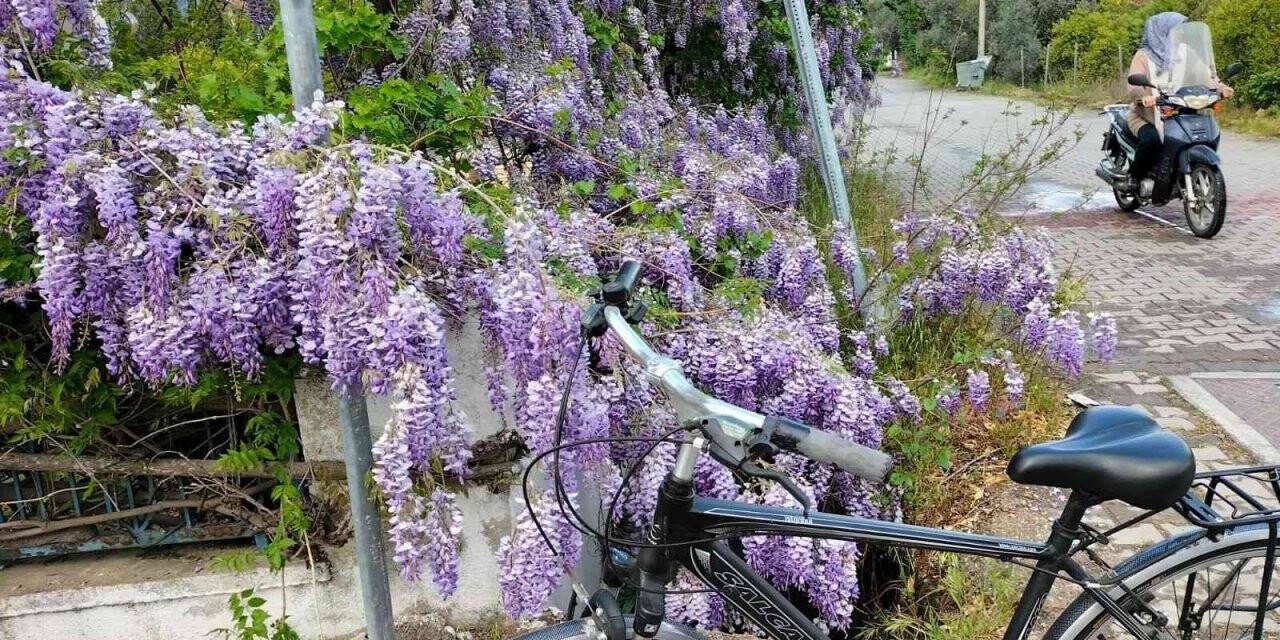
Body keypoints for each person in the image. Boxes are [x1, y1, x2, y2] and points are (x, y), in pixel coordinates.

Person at [1126, 12, 1234, 187]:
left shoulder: (1185, 52)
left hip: (1178, 110)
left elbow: (1205, 74)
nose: (1181, 33)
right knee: (1151, 140)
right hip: (1146, 115)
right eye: (1177, 29)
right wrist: (1144, 96)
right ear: (1163, 32)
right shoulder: (1144, 56)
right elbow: (1134, 83)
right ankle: (1134, 177)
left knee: (1201, 135)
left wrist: (1221, 88)